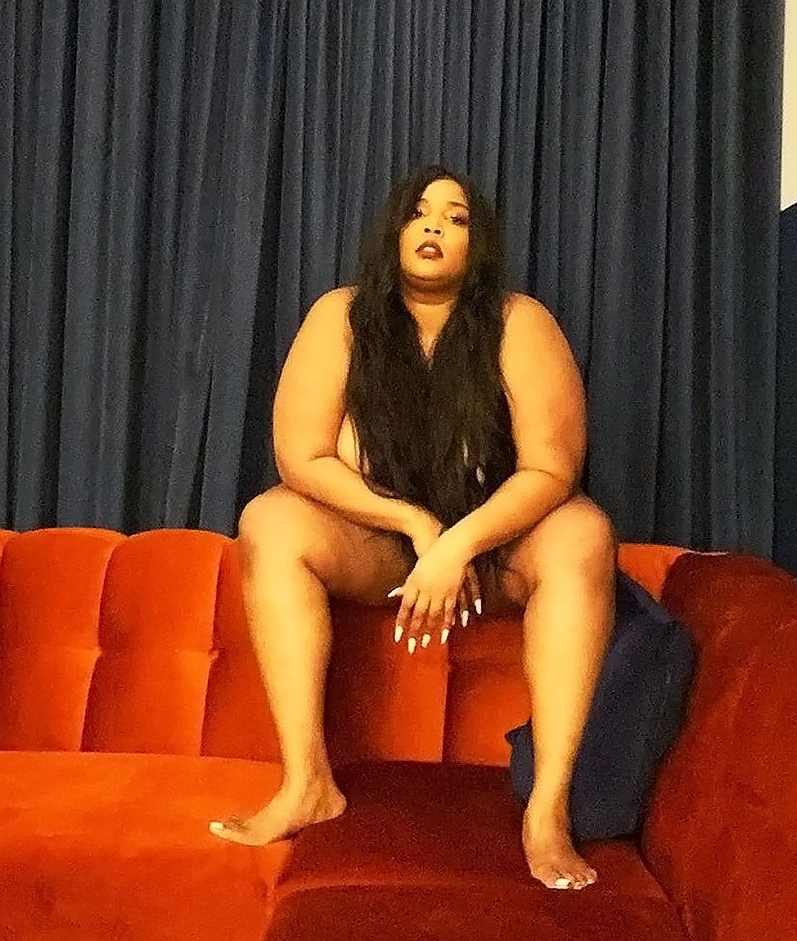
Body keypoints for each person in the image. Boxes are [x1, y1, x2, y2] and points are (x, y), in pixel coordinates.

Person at [208, 165, 616, 892]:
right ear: (394, 231)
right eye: (420, 213)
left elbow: (552, 469)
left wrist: (459, 542)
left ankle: (548, 810)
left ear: (478, 244)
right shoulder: (341, 316)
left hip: (495, 546)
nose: (434, 226)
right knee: (268, 518)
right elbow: (301, 456)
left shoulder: (519, 321)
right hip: (382, 545)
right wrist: (415, 523)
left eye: (457, 218)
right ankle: (307, 782)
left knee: (584, 532)